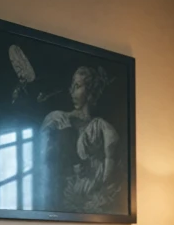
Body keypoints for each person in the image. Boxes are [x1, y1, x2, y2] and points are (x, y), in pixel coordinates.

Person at [40, 66, 122, 213]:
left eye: (77, 86)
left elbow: (109, 177)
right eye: (72, 86)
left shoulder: (102, 127)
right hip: (61, 202)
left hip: (93, 205)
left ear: (90, 91)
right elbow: (42, 164)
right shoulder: (58, 120)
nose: (72, 91)